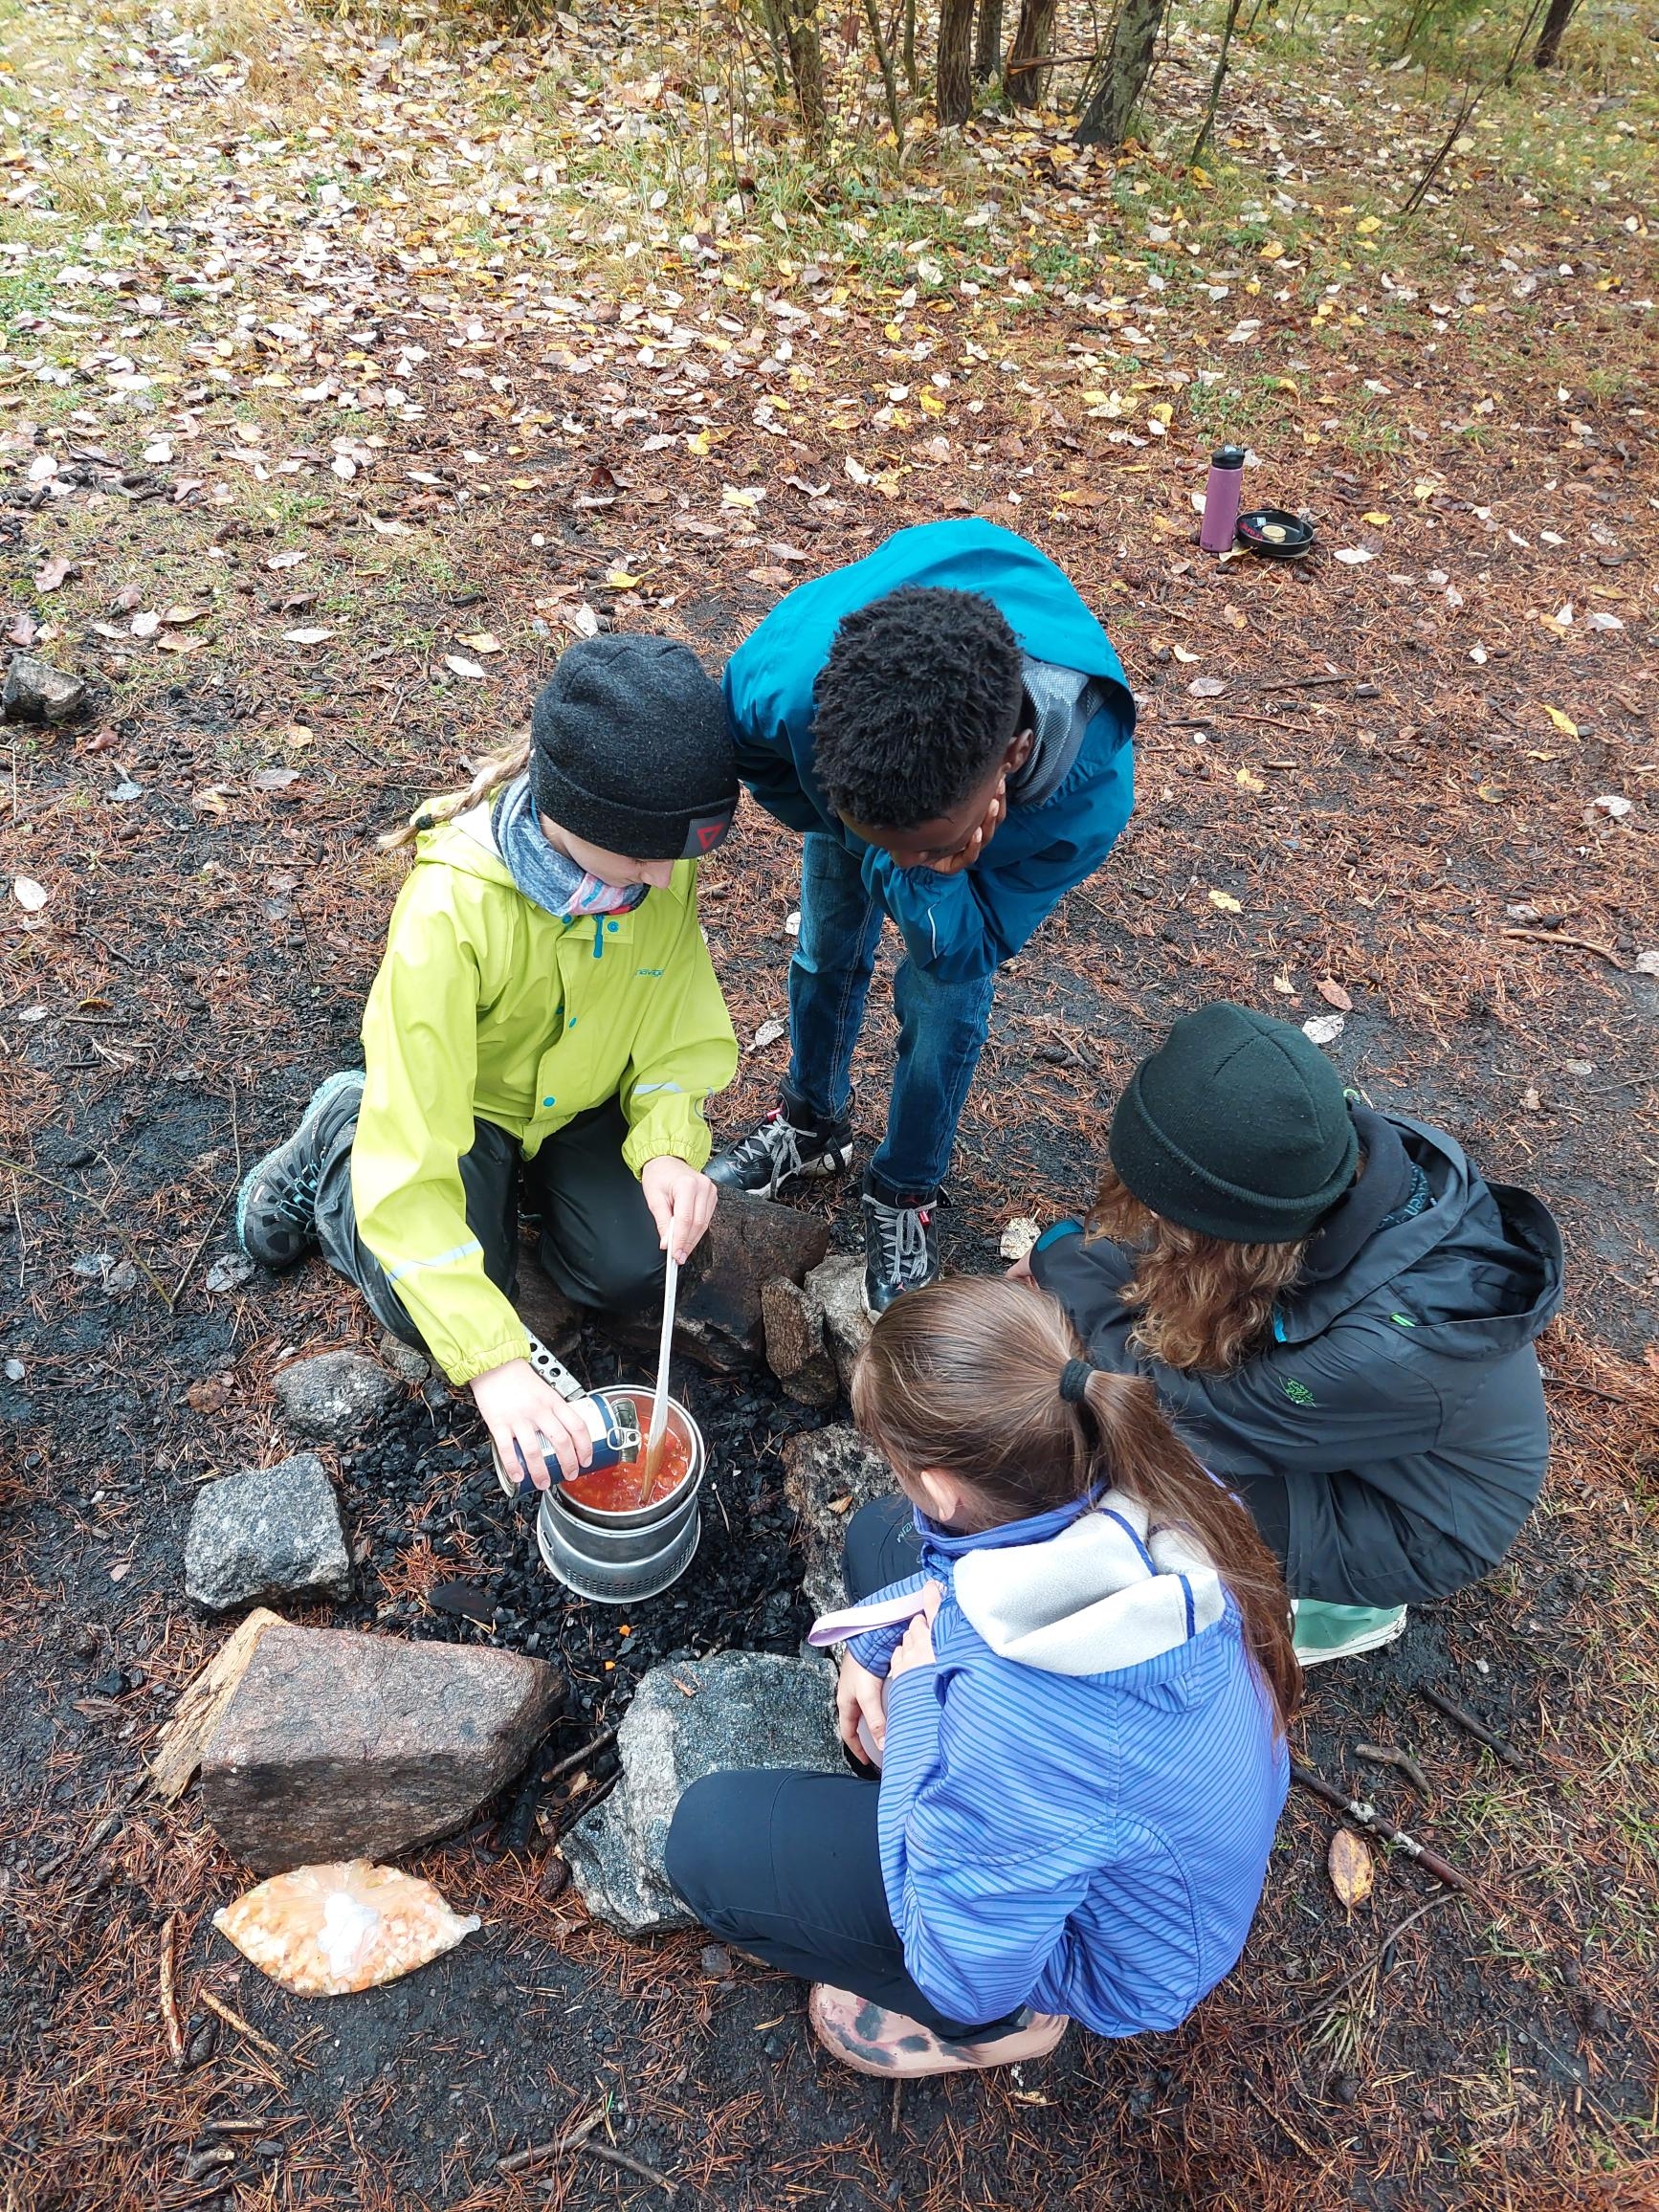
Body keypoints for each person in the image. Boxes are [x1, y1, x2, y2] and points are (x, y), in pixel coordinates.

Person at [667, 1276, 1296, 2080]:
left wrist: (924, 1710)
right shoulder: (1158, 1478)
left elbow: (964, 1968)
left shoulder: (1008, 1730)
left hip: (1107, 1951)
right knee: (880, 1540)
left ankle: (1020, 2026)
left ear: (939, 1484)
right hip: (1131, 1806)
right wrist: (877, 1641)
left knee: (708, 1840)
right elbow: (975, 1576)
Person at [235, 634, 741, 1491]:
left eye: (680, 857)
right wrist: (494, 1362)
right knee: (416, 1304)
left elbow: (674, 1030)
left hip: (579, 1104)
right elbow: (418, 1151)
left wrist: (664, 1143)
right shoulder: (448, 913)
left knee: (634, 1268)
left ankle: (530, 1195)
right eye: (649, 857)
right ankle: (335, 1135)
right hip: (461, 1109)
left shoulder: (656, 865)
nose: (665, 880)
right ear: (576, 818)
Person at [1016, 1002, 1565, 1665]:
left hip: (1408, 1520)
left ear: (1232, 1240)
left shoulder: (1380, 1353)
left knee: (1140, 1470)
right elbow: (1154, 1244)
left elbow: (1176, 1410)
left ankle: (1330, 1612)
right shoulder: (1336, 1161)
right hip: (1354, 1422)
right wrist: (1073, 1256)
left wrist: (1056, 1258)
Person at [709, 520, 1135, 1316]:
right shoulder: (790, 685)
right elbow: (754, 757)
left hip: (961, 863)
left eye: (927, 845)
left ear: (1011, 758)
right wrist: (855, 830)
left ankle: (903, 1188)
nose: (898, 865)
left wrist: (933, 882)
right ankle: (809, 1124)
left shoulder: (1083, 805)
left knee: (941, 1013)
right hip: (860, 791)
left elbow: (963, 951)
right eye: (885, 842)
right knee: (824, 949)